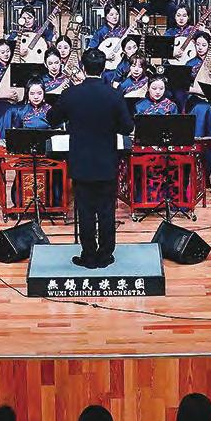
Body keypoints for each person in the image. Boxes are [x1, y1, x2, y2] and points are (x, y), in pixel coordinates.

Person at [49, 49, 135, 268]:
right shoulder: (114, 95)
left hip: (81, 162)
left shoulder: (71, 94)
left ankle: (88, 255)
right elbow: (127, 127)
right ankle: (105, 255)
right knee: (106, 211)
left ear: (82, 66)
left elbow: (52, 119)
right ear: (104, 68)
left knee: (85, 211)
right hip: (106, 161)